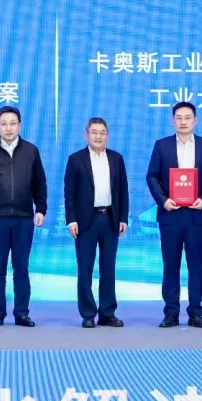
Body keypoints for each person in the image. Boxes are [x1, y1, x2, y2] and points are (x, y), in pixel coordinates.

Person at [146, 101, 202, 329]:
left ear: (195, 121)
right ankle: (171, 313)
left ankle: (196, 313)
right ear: (173, 121)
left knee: (196, 265)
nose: (183, 122)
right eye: (179, 118)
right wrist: (163, 200)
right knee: (170, 265)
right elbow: (152, 176)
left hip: (196, 215)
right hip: (170, 214)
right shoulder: (162, 146)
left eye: (187, 118)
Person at [0, 105, 48, 327]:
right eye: (4, 124)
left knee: (21, 268)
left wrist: (41, 209)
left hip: (24, 218)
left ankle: (22, 313)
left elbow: (40, 182)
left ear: (19, 125)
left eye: (12, 123)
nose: (8, 128)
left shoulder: (31, 151)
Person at [64, 117, 129, 328]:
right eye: (94, 132)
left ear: (107, 135)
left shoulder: (116, 159)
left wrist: (123, 218)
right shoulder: (76, 159)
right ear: (86, 135)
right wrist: (71, 220)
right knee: (85, 269)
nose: (98, 136)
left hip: (110, 219)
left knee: (108, 268)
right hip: (85, 221)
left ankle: (107, 313)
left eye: (102, 133)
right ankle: (88, 314)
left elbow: (123, 190)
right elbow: (69, 193)